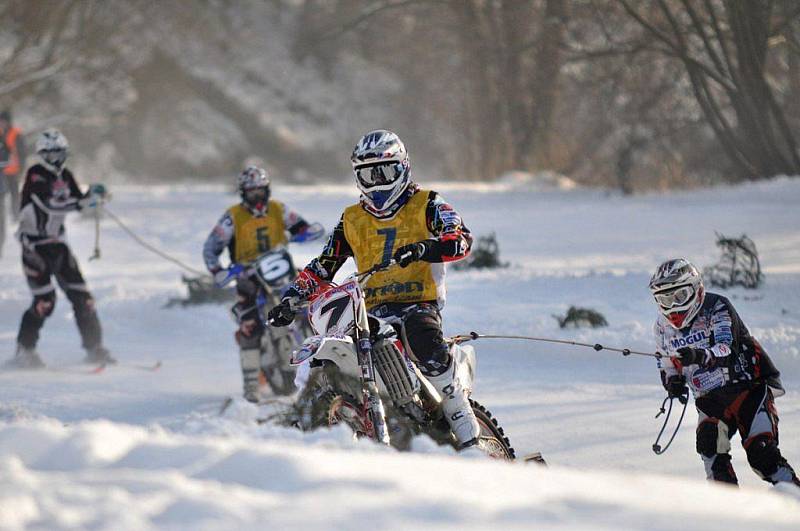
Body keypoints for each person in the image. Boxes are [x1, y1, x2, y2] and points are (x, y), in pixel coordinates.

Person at [268, 129, 481, 449]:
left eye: (384, 172)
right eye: (367, 175)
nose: (377, 182)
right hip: (369, 308)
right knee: (338, 344)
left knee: (422, 335)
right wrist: (291, 298)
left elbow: (460, 238)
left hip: (417, 301)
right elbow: (324, 264)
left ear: (404, 167)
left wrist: (427, 249)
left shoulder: (428, 203)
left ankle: (458, 408)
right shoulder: (351, 219)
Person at [650, 258, 798, 487]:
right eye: (664, 300)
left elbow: (726, 347)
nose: (672, 306)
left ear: (695, 288)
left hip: (749, 390)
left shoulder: (716, 306)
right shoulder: (662, 327)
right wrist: (673, 382)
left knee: (762, 456)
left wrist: (698, 355)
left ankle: (794, 500)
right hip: (712, 402)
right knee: (711, 449)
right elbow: (665, 361)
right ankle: (728, 514)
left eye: (679, 297)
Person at [203, 166, 321, 403]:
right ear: (243, 193)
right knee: (250, 325)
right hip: (250, 276)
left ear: (267, 190)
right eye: (251, 192)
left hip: (281, 269)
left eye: (260, 191)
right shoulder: (232, 217)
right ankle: (251, 386)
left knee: (314, 303)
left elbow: (302, 226)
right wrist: (219, 271)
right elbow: (211, 248)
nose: (256, 197)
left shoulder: (279, 209)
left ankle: (324, 361)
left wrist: (305, 232)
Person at [6, 128, 113, 368]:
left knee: (83, 298)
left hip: (58, 244)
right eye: (51, 153)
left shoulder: (66, 175)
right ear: (42, 154)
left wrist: (95, 196)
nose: (57, 158)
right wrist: (82, 202)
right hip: (34, 245)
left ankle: (95, 348)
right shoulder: (35, 175)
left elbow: (78, 203)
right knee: (45, 301)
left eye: (60, 152)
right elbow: (51, 205)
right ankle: (24, 350)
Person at [0, 109, 25, 256]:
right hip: (3, 174)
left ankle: (16, 214)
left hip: (12, 170)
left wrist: (21, 167)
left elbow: (21, 151)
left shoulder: (15, 133)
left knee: (15, 195)